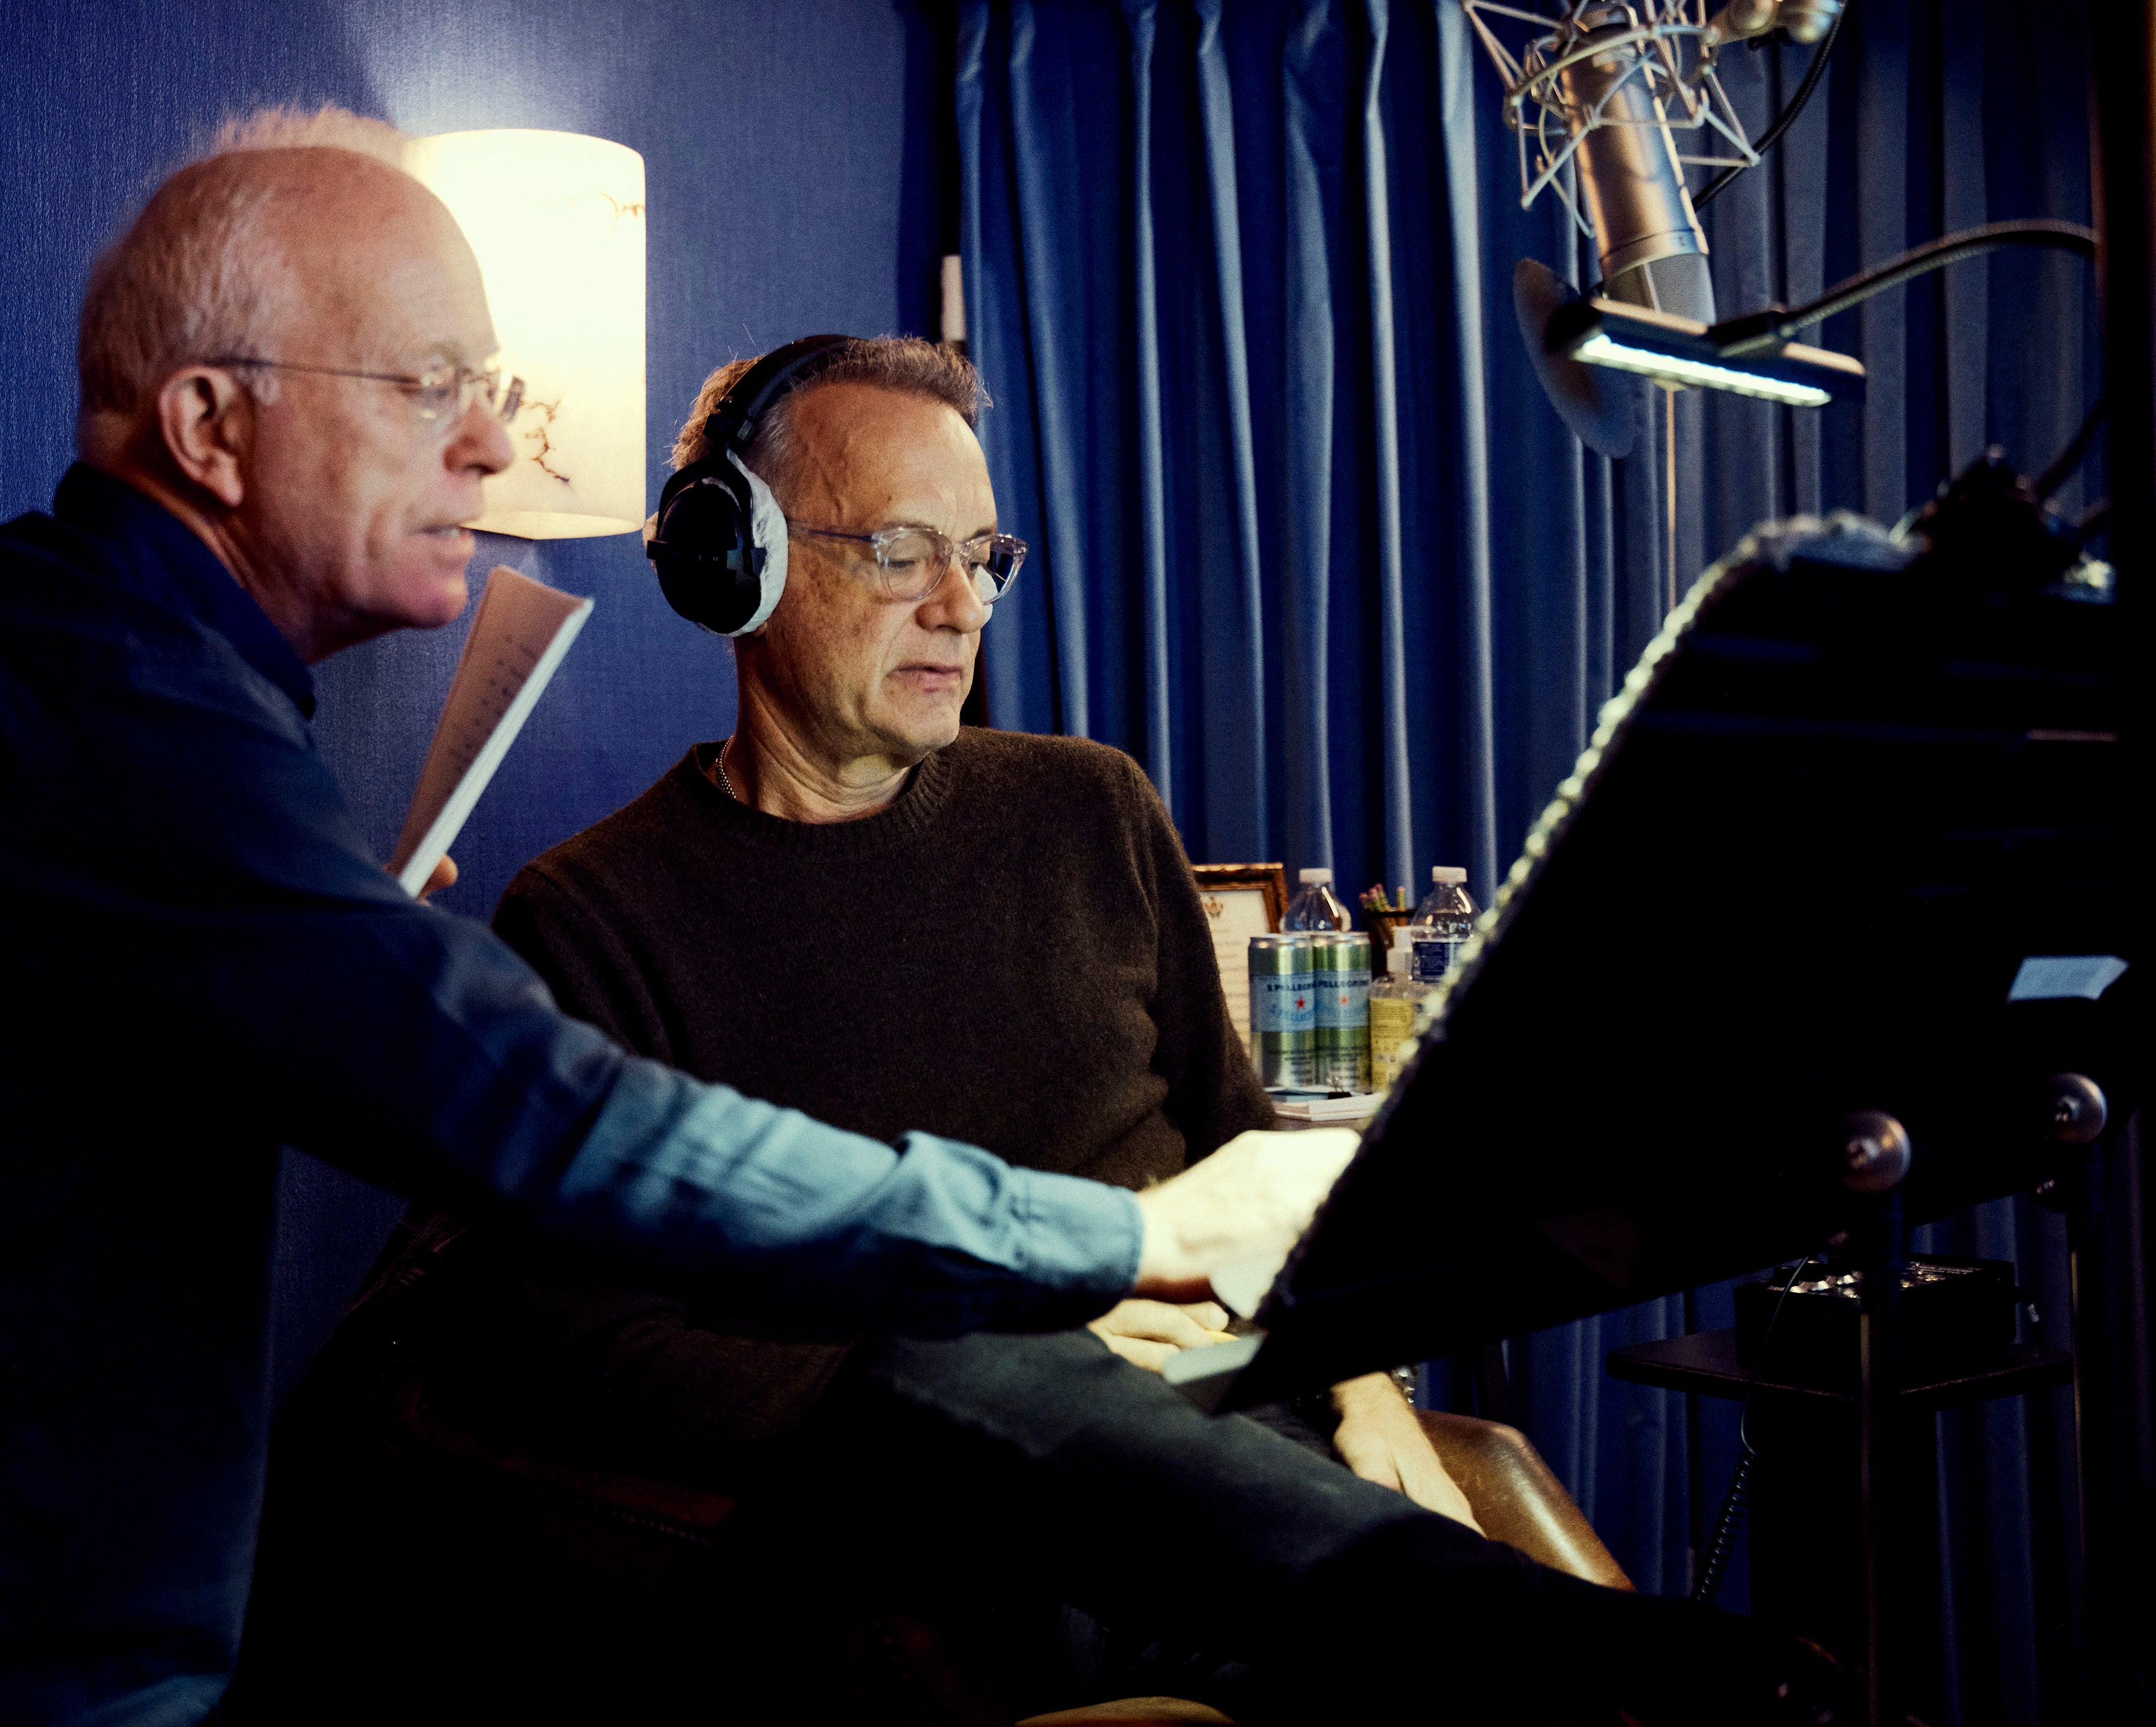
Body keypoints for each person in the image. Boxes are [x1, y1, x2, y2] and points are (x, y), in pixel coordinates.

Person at [0, 111, 1346, 1724]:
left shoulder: (103, 689)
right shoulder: (97, 713)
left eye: (495, 386)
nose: (496, 441)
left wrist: (317, 952)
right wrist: (1110, 1248)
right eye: (428, 383)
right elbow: (558, 1137)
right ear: (210, 425)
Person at [262, 337, 1862, 1727]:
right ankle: (1593, 1652)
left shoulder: (1085, 805)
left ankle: (1559, 1663)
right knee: (972, 1356)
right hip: (972, 1517)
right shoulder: (591, 913)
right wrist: (1031, 1353)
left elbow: (1245, 1147)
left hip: (1254, 1454)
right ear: (726, 562)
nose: (961, 606)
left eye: (985, 555)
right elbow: (586, 1350)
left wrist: (1364, 1385)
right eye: (899, 551)